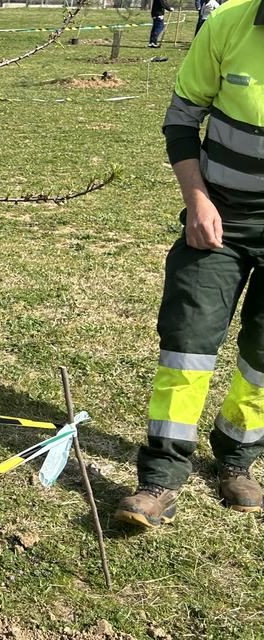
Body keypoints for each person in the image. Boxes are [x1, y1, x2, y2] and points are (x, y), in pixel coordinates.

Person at [115, 0, 264, 530]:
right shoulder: (228, 23)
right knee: (187, 345)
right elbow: (182, 117)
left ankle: (237, 458)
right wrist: (198, 200)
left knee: (263, 358)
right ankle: (161, 475)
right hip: (218, 215)